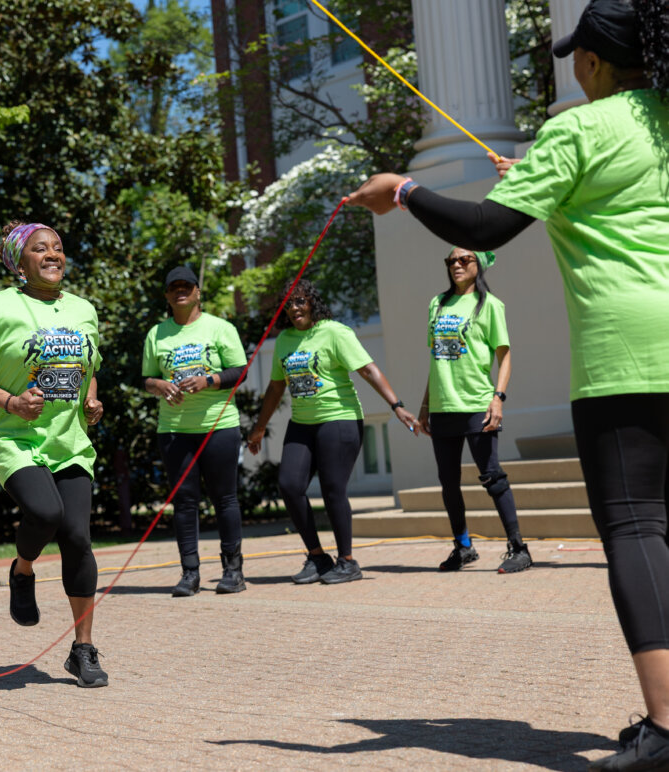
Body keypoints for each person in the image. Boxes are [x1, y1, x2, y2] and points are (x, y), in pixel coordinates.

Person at [347, 0, 668, 766]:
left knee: (635, 528)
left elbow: (485, 232)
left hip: (627, 357)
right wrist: (539, 179)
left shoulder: (579, 128)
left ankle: (664, 726)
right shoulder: (655, 120)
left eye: (574, 58)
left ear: (590, 62)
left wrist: (401, 192)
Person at [0, 221, 108, 688]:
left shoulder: (83, 309)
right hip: (14, 438)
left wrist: (92, 398)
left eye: (58, 248)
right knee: (44, 512)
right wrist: (11, 402)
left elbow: (90, 366)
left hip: (70, 441)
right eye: (40, 249)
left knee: (78, 540)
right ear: (19, 262)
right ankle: (22, 571)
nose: (52, 254)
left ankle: (83, 650)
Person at [246, 279, 420, 584]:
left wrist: (397, 405)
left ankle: (348, 561)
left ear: (312, 302)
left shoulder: (335, 332)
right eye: (289, 303)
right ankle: (317, 558)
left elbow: (367, 369)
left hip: (338, 420)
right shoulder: (285, 339)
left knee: (332, 489)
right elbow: (276, 387)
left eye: (300, 301)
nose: (294, 308)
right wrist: (259, 428)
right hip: (302, 424)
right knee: (289, 485)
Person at [420, 247, 532, 574]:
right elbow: (436, 358)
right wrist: (425, 405)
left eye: (463, 259)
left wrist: (498, 397)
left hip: (476, 404)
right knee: (448, 481)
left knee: (492, 476)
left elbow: (505, 356)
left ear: (478, 265)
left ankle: (519, 547)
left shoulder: (491, 305)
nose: (455, 264)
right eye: (451, 260)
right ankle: (463, 546)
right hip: (443, 408)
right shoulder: (436, 304)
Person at [142, 265, 249, 597]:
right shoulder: (156, 334)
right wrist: (159, 384)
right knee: (185, 503)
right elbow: (145, 379)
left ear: (198, 291)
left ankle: (233, 570)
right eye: (173, 287)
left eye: (186, 285)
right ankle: (190, 573)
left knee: (225, 498)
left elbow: (240, 371)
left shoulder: (220, 328)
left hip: (218, 426)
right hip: (174, 429)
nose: (180, 291)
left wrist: (209, 381)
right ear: (167, 296)